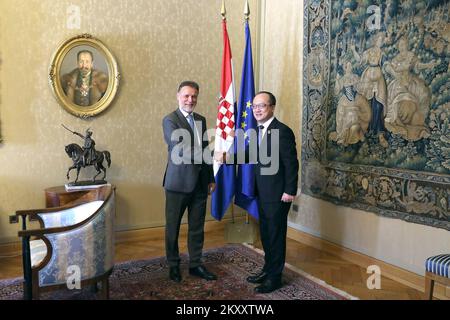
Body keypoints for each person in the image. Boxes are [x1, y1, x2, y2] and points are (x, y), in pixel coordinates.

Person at [217, 91, 299, 293]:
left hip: (279, 194)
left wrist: (290, 191)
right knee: (266, 234)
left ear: (272, 107)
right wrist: (227, 157)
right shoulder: (258, 131)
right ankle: (268, 269)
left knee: (275, 235)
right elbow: (248, 155)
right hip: (262, 193)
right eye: (254, 106)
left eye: (262, 106)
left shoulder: (283, 131)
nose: (257, 110)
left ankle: (275, 278)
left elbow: (291, 164)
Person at [162, 81, 217, 283]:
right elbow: (179, 149)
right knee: (173, 227)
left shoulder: (201, 120)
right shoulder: (170, 120)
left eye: (194, 96)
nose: (190, 100)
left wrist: (210, 178)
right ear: (178, 96)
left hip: (200, 184)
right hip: (177, 184)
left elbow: (206, 152)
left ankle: (195, 264)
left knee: (197, 227)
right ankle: (173, 265)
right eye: (186, 96)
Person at [351, 32, 389, 147]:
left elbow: (386, 65)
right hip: (367, 79)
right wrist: (353, 50)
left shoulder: (382, 53)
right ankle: (366, 129)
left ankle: (379, 133)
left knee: (378, 105)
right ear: (376, 39)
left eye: (382, 39)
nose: (381, 41)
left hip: (379, 81)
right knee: (367, 104)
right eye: (379, 39)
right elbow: (360, 60)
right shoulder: (369, 51)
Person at [330, 62, 371, 146]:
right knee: (341, 113)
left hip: (356, 98)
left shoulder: (355, 77)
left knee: (360, 111)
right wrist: (337, 80)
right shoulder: (342, 79)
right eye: (346, 66)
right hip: (345, 100)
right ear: (344, 68)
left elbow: (361, 88)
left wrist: (357, 86)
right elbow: (336, 91)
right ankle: (343, 135)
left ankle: (358, 134)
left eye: (349, 65)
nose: (348, 67)